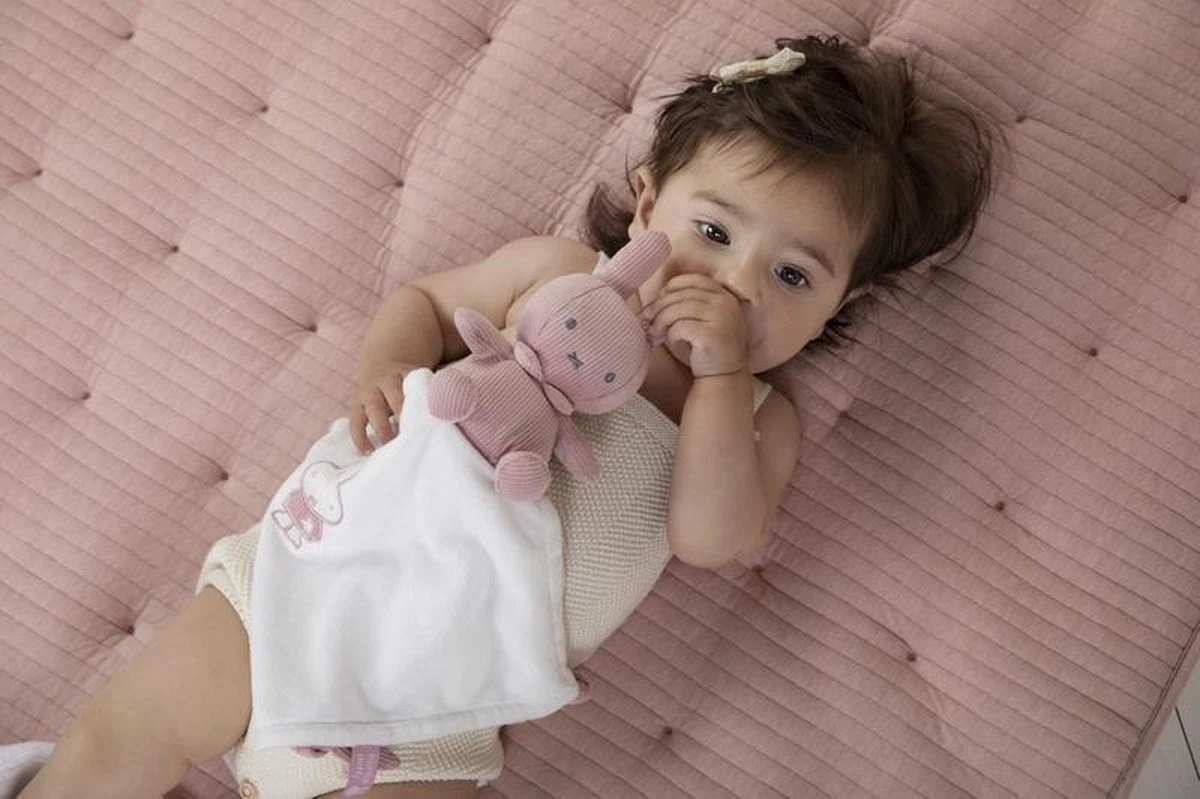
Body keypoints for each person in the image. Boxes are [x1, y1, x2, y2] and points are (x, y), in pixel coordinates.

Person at [16, 33, 996, 799]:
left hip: (442, 706)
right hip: (322, 577)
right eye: (712, 230)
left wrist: (721, 381)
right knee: (114, 739)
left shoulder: (757, 419)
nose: (735, 283)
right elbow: (425, 301)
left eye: (792, 275)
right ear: (647, 203)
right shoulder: (559, 274)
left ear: (842, 305)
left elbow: (711, 537)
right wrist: (389, 364)